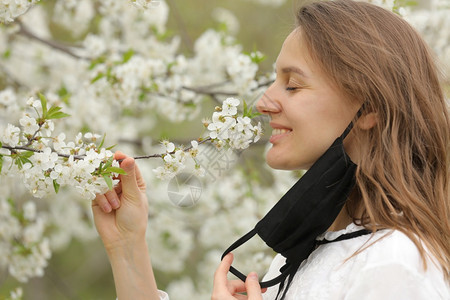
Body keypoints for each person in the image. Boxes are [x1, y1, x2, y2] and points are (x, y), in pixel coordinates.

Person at [92, 0, 450, 299]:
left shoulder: (397, 262)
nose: (263, 103)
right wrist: (127, 247)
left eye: (292, 85)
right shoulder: (300, 256)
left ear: (369, 108)